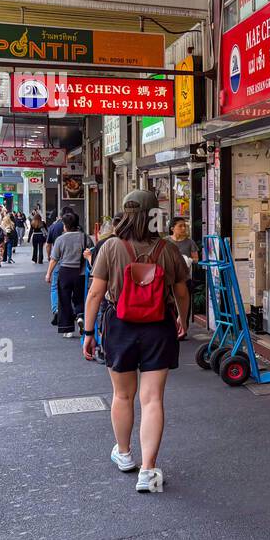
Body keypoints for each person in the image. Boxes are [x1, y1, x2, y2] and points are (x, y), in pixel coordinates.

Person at [83, 190, 190, 493]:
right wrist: (182, 318)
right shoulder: (167, 249)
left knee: (122, 395)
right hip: (159, 327)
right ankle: (149, 470)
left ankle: (125, 454)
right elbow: (181, 292)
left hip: (119, 326)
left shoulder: (111, 247)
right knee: (153, 399)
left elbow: (94, 294)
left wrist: (89, 333)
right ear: (154, 215)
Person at [46, 210, 90, 338]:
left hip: (65, 272)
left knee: (64, 299)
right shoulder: (84, 237)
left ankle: (67, 329)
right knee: (79, 297)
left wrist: (48, 274)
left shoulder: (60, 239)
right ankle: (81, 316)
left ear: (65, 226)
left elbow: (54, 258)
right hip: (80, 273)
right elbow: (90, 252)